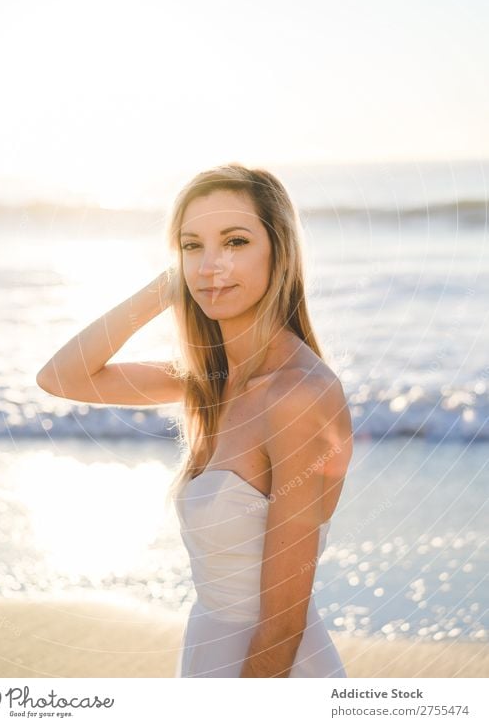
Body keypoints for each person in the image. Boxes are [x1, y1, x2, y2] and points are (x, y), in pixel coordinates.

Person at [36, 163, 353, 678]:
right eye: (192, 245)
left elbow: (283, 624)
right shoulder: (210, 382)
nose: (212, 265)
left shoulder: (299, 397)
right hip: (209, 653)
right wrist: (169, 287)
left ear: (279, 251)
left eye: (235, 242)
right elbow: (60, 376)